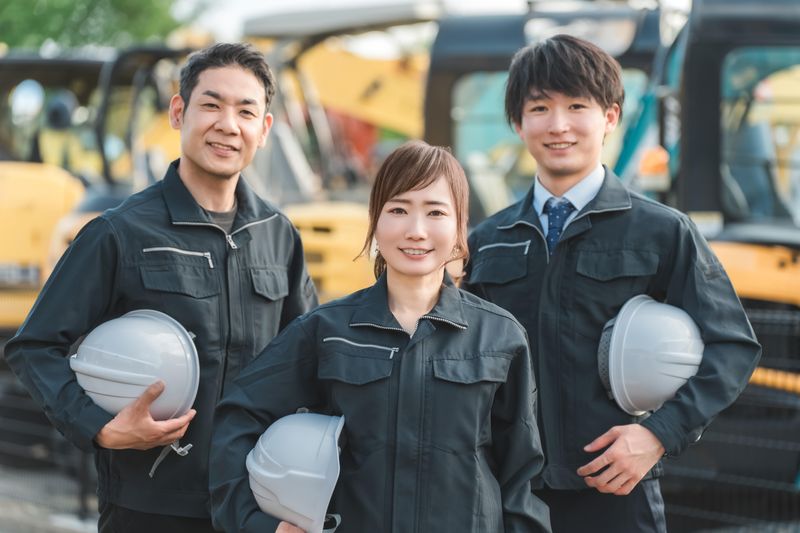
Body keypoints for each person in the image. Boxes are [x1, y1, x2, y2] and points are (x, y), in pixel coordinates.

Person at [4, 42, 317, 532]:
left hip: (255, 503)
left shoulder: (278, 236)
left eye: (245, 112)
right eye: (211, 105)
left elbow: (308, 359)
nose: (227, 125)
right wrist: (100, 428)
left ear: (264, 129)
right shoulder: (119, 232)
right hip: (149, 506)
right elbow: (35, 347)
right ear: (179, 112)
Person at [462, 35, 761, 532]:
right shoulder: (486, 242)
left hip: (617, 492)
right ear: (518, 123)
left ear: (610, 117)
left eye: (577, 105)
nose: (558, 125)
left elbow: (732, 347)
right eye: (540, 108)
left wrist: (659, 435)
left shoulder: (663, 231)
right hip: (506, 495)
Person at [209, 140, 551, 533]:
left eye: (435, 211)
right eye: (398, 210)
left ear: (460, 226)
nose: (416, 230)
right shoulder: (328, 332)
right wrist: (258, 525)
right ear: (375, 220)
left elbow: (521, 482)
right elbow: (238, 417)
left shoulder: (500, 337)